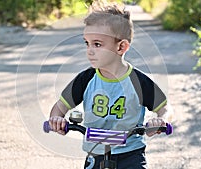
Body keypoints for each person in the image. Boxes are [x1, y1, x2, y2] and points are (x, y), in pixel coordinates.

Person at [47, 1, 171, 168]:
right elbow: (60, 106)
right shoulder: (85, 80)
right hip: (96, 154)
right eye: (87, 43)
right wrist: (56, 119)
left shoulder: (137, 81)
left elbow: (165, 108)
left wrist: (160, 121)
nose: (89, 50)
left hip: (131, 154)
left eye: (97, 44)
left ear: (121, 47)